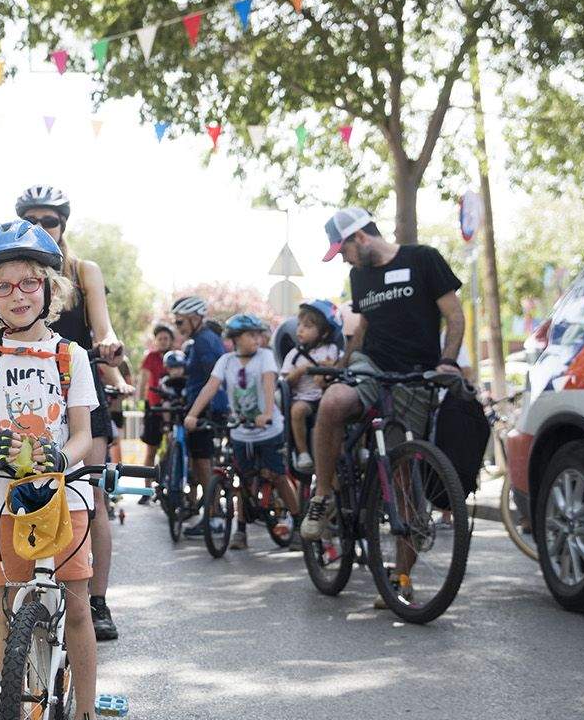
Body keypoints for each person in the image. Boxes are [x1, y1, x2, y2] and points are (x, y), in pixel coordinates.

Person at [0, 220, 113, 720]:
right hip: (2, 498)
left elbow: (81, 433)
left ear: (51, 291)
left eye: (29, 283)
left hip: (61, 494)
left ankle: (89, 718)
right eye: (3, 286)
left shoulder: (71, 356)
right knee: (9, 607)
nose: (17, 295)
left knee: (75, 602)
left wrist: (61, 460)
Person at [302, 208, 464, 609]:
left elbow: (455, 316)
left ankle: (402, 578)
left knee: (405, 477)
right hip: (372, 368)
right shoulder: (360, 276)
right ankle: (323, 496)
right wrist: (343, 364)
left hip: (416, 375)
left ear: (361, 238)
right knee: (334, 401)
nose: (343, 260)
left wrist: (447, 361)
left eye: (343, 251)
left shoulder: (423, 258)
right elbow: (367, 328)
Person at [14, 185, 127, 642]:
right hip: (25, 394)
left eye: (51, 221)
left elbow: (103, 325)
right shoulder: (17, 273)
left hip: (80, 389)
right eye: (33, 221)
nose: (43, 229)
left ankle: (96, 600)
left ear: (64, 225)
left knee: (92, 495)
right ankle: (18, 595)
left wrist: (109, 344)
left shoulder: (82, 271)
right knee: (22, 490)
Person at [184, 313, 295, 547]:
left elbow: (268, 383)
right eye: (250, 335)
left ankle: (299, 523)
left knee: (277, 475)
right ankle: (241, 531)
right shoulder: (226, 361)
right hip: (240, 431)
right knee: (243, 480)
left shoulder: (265, 357)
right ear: (235, 338)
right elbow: (210, 387)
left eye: (259, 334)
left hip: (268, 429)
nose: (257, 339)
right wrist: (193, 414)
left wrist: (265, 413)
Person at [171, 295, 226, 536]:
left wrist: (201, 411)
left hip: (206, 411)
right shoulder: (200, 340)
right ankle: (210, 514)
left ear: (195, 318)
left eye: (180, 322)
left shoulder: (205, 341)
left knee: (204, 465)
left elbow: (213, 381)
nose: (178, 327)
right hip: (198, 407)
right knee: (200, 463)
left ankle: (213, 518)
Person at [282, 300, 345, 474]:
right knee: (297, 411)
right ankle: (303, 453)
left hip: (327, 395)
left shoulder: (331, 349)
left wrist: (330, 367)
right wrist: (302, 370)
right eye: (299, 324)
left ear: (324, 333)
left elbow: (338, 366)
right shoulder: (294, 355)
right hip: (305, 398)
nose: (300, 329)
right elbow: (286, 381)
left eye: (307, 326)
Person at [134, 322, 176, 469]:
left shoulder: (176, 357)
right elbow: (143, 380)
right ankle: (147, 488)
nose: (163, 341)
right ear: (155, 341)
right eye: (160, 338)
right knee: (151, 448)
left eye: (166, 338)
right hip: (153, 406)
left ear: (171, 340)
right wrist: (139, 400)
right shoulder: (151, 357)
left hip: (173, 407)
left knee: (174, 446)